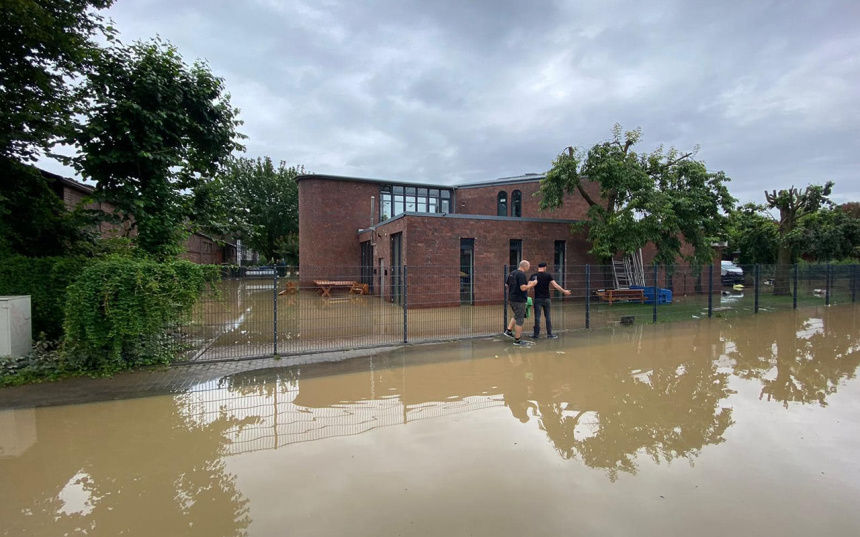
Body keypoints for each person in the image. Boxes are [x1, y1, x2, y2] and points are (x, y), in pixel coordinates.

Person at [528, 262, 571, 339]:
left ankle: (536, 335)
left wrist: (525, 296)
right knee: (547, 316)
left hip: (537, 299)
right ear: (544, 267)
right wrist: (564, 291)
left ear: (538, 267)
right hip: (547, 299)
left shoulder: (534, 276)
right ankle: (550, 334)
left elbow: (528, 287)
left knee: (537, 317)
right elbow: (555, 285)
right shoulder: (548, 275)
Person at [504, 260, 537, 346]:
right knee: (520, 319)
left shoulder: (512, 273)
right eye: (528, 267)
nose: (529, 268)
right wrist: (532, 284)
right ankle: (517, 340)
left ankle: (508, 331)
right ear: (525, 266)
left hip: (512, 298)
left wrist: (513, 290)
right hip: (519, 300)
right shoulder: (521, 275)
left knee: (517, 315)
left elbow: (506, 285)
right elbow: (523, 288)